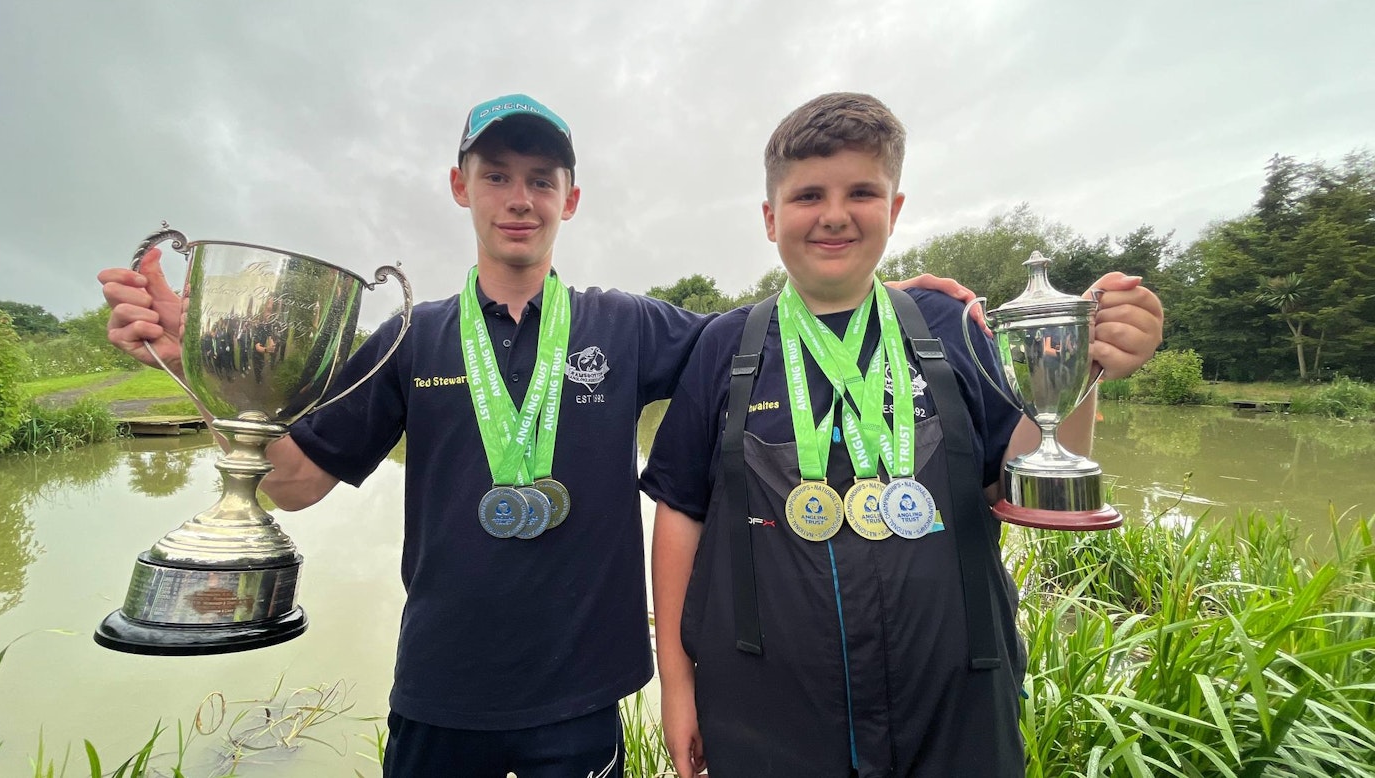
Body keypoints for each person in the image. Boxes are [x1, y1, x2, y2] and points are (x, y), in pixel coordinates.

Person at [97, 92, 984, 777]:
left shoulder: (626, 324)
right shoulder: (412, 336)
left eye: (541, 180)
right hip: (438, 689)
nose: (519, 199)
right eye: (496, 175)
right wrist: (203, 371)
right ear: (461, 188)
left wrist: (893, 297)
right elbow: (293, 480)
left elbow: (760, 331)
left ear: (571, 198)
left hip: (582, 694)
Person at [641, 92, 1163, 777]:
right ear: (770, 219)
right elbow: (680, 515)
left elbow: (1033, 473)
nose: (833, 214)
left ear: (895, 209)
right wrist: (679, 689)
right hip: (766, 716)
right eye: (807, 196)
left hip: (955, 710)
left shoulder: (952, 328)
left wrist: (1080, 365)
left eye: (861, 191)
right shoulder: (723, 347)